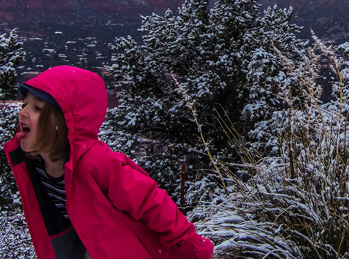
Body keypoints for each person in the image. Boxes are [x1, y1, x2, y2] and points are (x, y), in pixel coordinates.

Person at [3, 65, 214, 258]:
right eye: (24, 104)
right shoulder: (32, 165)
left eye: (37, 108)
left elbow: (152, 203)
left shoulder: (99, 163)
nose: (22, 112)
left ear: (65, 121)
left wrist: (191, 246)